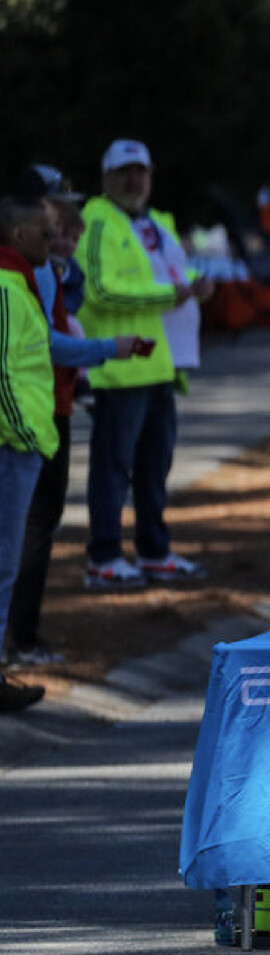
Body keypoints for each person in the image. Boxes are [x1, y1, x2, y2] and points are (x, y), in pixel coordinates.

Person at [5, 171, 146, 668]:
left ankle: (20, 639)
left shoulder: (43, 269)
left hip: (42, 418)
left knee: (29, 532)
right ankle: (18, 640)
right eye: (52, 217)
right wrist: (110, 349)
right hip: (31, 428)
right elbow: (39, 349)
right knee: (26, 535)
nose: (59, 227)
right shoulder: (25, 273)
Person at [78, 139, 213, 589]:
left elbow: (167, 275)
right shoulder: (95, 220)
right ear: (106, 177)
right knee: (113, 467)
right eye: (124, 172)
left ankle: (154, 550)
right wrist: (170, 295)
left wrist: (196, 282)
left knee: (155, 465)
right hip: (119, 366)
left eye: (141, 172)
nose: (135, 180)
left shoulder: (155, 223)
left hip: (160, 364)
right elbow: (100, 289)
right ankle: (104, 555)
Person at [0, 197, 61, 712]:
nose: (54, 242)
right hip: (12, 447)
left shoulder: (19, 282)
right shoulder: (5, 286)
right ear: (18, 236)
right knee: (3, 566)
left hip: (22, 445)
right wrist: (25, 435)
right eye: (45, 234)